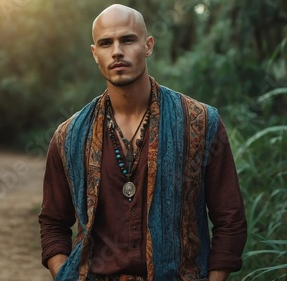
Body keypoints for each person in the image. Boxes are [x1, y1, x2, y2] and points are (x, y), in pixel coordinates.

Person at [38, 4, 247, 281]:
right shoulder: (69, 135)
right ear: (94, 54)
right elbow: (53, 222)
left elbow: (229, 220)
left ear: (148, 45)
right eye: (105, 43)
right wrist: (64, 273)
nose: (116, 51)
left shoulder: (201, 122)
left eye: (127, 39)